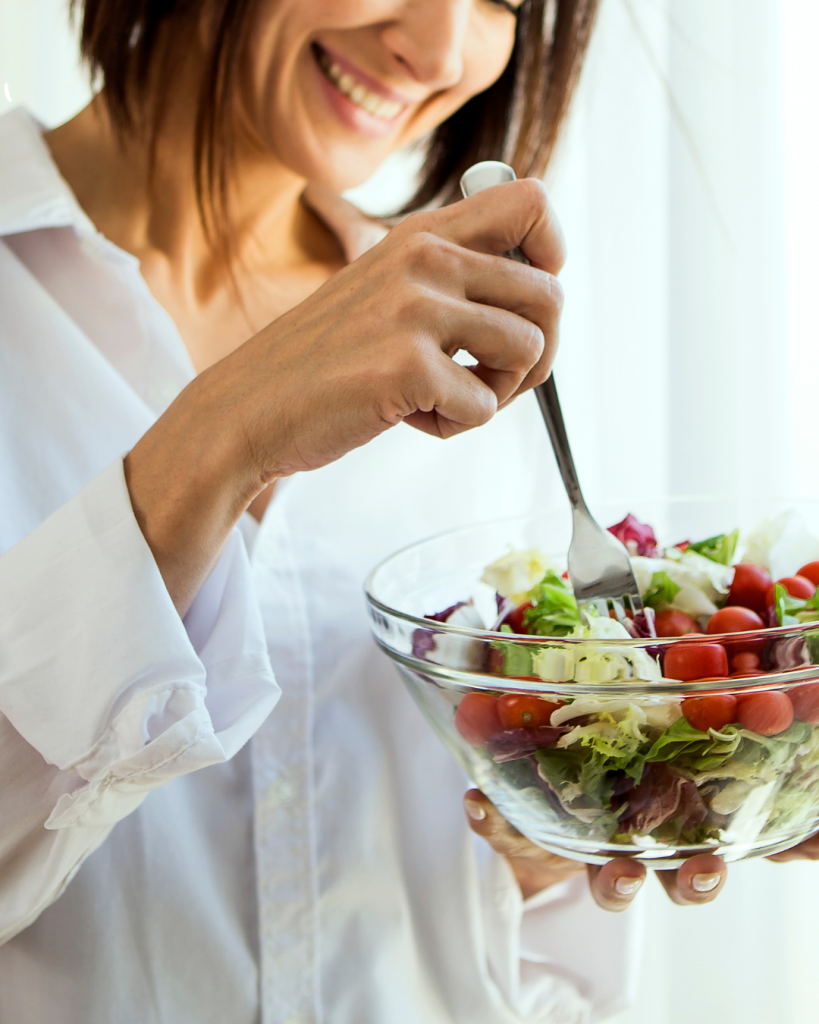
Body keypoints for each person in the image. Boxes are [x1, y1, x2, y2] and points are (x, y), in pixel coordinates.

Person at [4, 0, 809, 1021]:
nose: (439, 51)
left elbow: (533, 976)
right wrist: (221, 433)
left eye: (503, 1)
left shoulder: (471, 345)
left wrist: (549, 838)